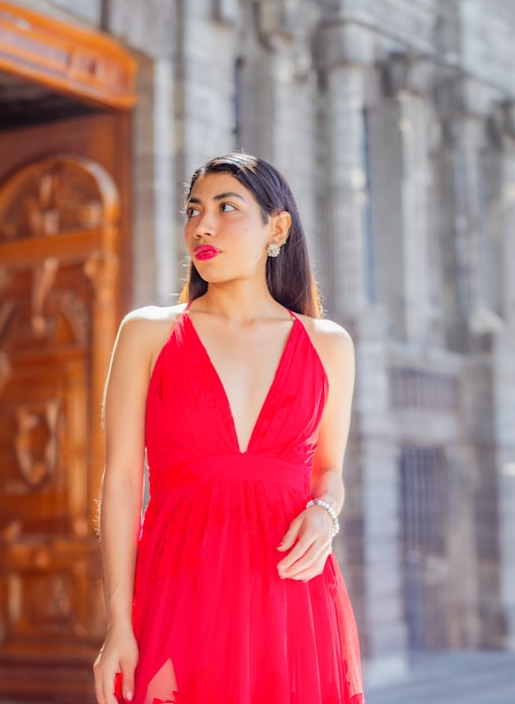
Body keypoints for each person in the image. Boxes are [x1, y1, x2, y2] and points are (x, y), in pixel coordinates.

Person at [93, 153, 363, 704]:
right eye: (194, 210)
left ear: (277, 228)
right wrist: (119, 622)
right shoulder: (147, 333)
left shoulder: (328, 344)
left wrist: (324, 513)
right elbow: (121, 482)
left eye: (226, 207)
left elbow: (328, 472)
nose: (203, 226)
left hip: (290, 603)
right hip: (178, 598)